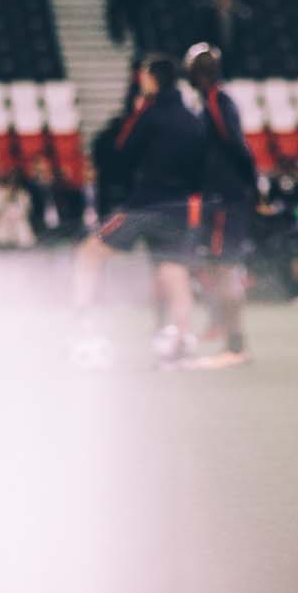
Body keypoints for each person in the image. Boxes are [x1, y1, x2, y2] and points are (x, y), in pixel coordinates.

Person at [71, 55, 206, 366]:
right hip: (179, 208)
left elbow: (122, 153)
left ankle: (82, 328)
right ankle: (181, 339)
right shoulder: (192, 119)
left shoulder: (148, 114)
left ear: (152, 79)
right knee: (174, 271)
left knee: (88, 254)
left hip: (143, 205)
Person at [185, 42, 256, 369]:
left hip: (225, 200)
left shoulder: (216, 101)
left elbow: (235, 144)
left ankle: (236, 346)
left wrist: (250, 185)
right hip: (222, 199)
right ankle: (225, 333)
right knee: (216, 269)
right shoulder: (211, 101)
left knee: (225, 269)